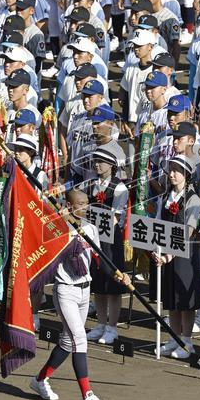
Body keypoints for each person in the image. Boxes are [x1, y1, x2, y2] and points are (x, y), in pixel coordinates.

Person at [30, 189, 122, 400]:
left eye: (86, 203)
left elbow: (99, 258)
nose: (85, 207)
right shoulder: (58, 227)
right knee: (79, 339)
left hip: (84, 290)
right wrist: (60, 220)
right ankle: (87, 395)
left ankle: (40, 379)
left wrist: (118, 273)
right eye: (79, 203)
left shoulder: (90, 228)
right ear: (69, 206)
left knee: (67, 341)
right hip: (65, 291)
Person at [154, 155, 200, 359]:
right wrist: (157, 248)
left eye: (177, 170)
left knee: (185, 300)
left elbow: (189, 231)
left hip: (184, 256)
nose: (173, 174)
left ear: (187, 175)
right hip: (167, 253)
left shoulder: (192, 198)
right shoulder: (166, 196)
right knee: (172, 299)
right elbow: (159, 222)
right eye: (171, 170)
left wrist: (169, 254)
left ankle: (187, 342)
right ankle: (173, 338)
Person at [83, 147, 128, 346]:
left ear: (111, 165)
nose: (97, 164)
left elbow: (116, 218)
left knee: (113, 285)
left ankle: (112, 327)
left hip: (111, 241)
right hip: (95, 238)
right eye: (95, 161)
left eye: (101, 161)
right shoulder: (92, 184)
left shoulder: (119, 188)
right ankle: (100, 324)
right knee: (98, 284)